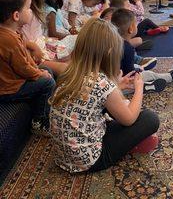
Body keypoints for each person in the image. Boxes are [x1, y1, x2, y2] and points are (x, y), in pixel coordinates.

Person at [49, 18, 159, 173]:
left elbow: (92, 96)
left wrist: (117, 85)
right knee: (149, 118)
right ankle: (131, 144)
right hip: (90, 161)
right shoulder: (102, 83)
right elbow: (129, 119)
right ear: (110, 52)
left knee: (112, 110)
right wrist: (139, 88)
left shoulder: (70, 73)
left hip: (64, 158)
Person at [0, 0, 55, 136]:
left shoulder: (11, 32)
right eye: (28, 8)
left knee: (47, 72)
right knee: (48, 82)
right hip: (8, 89)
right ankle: (40, 122)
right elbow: (23, 67)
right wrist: (39, 74)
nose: (31, 11)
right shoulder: (8, 39)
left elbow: (25, 58)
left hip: (14, 80)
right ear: (16, 15)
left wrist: (39, 70)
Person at [6, 0, 68, 75]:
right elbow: (22, 42)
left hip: (40, 48)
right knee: (66, 68)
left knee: (72, 57)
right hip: (32, 55)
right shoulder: (24, 16)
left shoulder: (30, 11)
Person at [111, 9, 173, 92]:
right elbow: (130, 75)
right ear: (131, 29)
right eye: (136, 23)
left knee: (137, 67)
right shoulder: (127, 48)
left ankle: (145, 82)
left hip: (109, 79)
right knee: (149, 74)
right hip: (119, 85)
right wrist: (137, 72)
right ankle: (170, 76)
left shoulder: (110, 42)